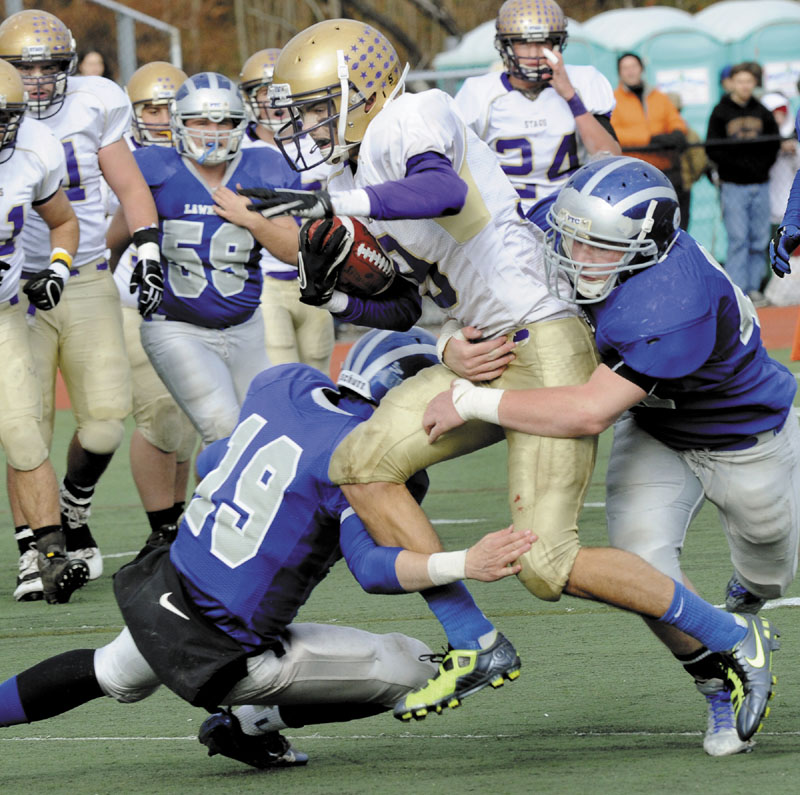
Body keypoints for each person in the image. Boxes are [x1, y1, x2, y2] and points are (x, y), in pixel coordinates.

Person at [239, 20, 777, 739]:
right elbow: (401, 299)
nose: (301, 124)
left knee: (545, 562)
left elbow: (435, 188)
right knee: (359, 463)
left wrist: (343, 209)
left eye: (312, 106)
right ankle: (475, 640)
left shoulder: (415, 113)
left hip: (544, 334)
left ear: (359, 91)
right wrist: (336, 291)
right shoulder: (347, 172)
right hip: (484, 343)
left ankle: (732, 638)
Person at [0, 329, 534, 772]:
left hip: (169, 589)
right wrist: (467, 563)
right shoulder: (359, 459)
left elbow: (213, 464)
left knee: (109, 672)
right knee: (418, 665)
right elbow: (372, 570)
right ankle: (251, 723)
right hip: (227, 647)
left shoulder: (284, 384)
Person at [423, 155, 792, 756]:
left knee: (768, 569)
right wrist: (445, 344)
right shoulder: (565, 226)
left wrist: (472, 402)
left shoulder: (674, 301)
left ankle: (747, 599)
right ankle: (717, 683)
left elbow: (590, 410)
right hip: (656, 429)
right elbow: (462, 271)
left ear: (645, 247)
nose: (574, 254)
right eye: (573, 237)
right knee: (643, 568)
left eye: (598, 247)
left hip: (746, 437)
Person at [0, 9, 162, 592]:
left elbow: (127, 186)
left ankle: (72, 508)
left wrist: (145, 246)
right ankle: (35, 552)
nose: (39, 79)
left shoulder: (89, 106)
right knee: (26, 426)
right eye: (26, 67)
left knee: (102, 426)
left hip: (84, 274)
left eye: (51, 67)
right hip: (16, 287)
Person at [106, 71, 299, 448]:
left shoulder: (263, 168)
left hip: (247, 326)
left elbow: (293, 251)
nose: (213, 130)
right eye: (201, 121)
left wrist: (251, 219)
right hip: (176, 326)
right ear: (180, 124)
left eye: (223, 120)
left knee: (270, 431)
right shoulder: (155, 168)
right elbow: (113, 243)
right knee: (223, 427)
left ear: (238, 123)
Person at [0, 59, 89, 605]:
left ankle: (51, 555)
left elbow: (64, 219)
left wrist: (57, 265)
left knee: (24, 432)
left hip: (3, 313)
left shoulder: (32, 147)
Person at [107, 61, 198, 544]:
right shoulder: (119, 158)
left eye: (170, 106)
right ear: (132, 111)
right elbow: (106, 239)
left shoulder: (209, 152)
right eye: (151, 107)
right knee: (160, 415)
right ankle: (160, 530)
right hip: (134, 300)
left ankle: (175, 523)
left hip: (193, 307)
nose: (162, 117)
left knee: (184, 423)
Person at [454, 0, 620, 221]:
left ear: (557, 44)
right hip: (506, 219)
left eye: (543, 42)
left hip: (570, 216)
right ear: (506, 46)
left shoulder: (583, 82)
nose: (534, 54)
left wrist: (570, 96)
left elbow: (610, 156)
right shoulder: (479, 93)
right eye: (523, 43)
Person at [239, 47, 335, 374]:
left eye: (280, 93)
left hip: (317, 274)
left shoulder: (322, 137)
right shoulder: (238, 149)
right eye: (263, 93)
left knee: (319, 376)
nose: (273, 103)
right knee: (283, 375)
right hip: (264, 279)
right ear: (249, 99)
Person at [705, 62, 780, 306]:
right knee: (738, 238)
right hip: (734, 185)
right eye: (740, 81)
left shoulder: (762, 111)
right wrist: (736, 168)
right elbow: (712, 148)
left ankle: (755, 287)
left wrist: (760, 167)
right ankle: (739, 289)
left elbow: (774, 144)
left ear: (754, 83)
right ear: (731, 83)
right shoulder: (720, 112)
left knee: (759, 238)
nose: (745, 86)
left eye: (749, 81)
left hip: (760, 182)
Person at [610, 52, 688, 209]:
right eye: (625, 68)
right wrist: (648, 139)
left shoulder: (659, 97)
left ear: (641, 69)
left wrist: (678, 132)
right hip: (633, 172)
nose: (630, 71)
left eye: (633, 66)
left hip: (665, 168)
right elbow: (613, 131)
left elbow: (674, 119)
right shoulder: (613, 99)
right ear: (619, 73)